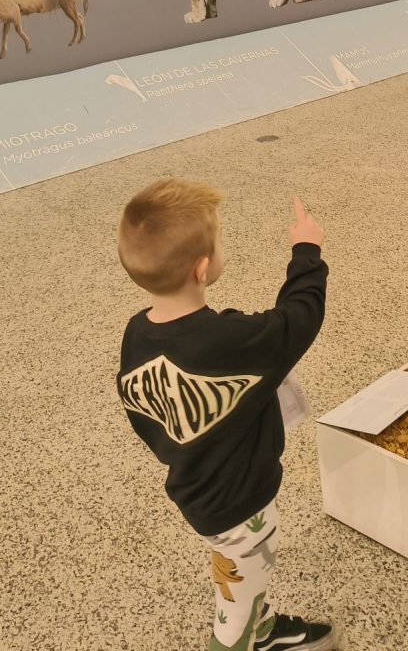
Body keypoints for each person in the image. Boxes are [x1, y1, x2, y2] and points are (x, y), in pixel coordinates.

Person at [116, 178, 334, 651]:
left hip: (196, 490)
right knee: (237, 603)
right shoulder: (234, 341)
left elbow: (142, 410)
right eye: (219, 243)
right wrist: (306, 250)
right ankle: (242, 640)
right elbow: (301, 316)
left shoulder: (137, 334)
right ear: (201, 268)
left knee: (242, 580)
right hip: (242, 504)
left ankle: (262, 628)